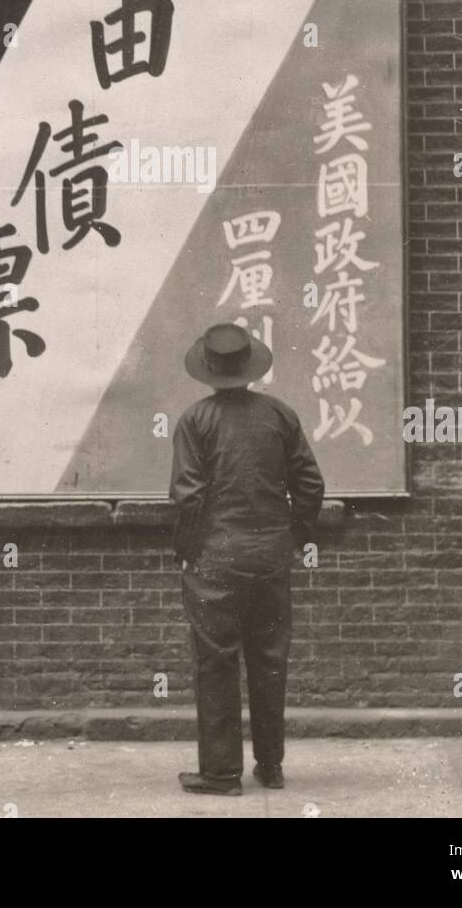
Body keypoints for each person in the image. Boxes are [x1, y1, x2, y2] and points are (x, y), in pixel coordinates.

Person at [170, 322, 326, 796]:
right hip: (270, 556)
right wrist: (293, 536)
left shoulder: (195, 421)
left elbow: (188, 497)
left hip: (215, 556)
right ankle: (271, 765)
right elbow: (310, 486)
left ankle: (220, 774)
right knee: (269, 657)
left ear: (209, 370)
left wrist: (187, 550)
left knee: (216, 662)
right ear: (249, 366)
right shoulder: (280, 415)